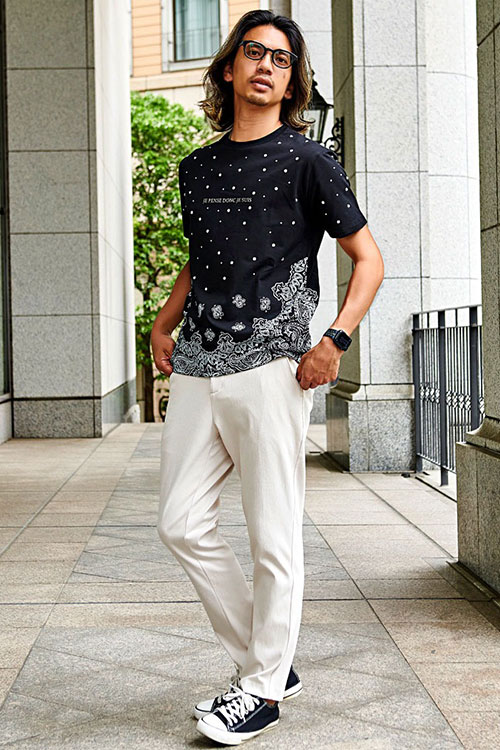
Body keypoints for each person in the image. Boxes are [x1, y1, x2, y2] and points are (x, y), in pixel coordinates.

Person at [152, 9, 384, 746]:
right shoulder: (197, 169)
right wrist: (163, 321)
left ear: (292, 82)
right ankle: (271, 660)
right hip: (198, 362)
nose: (266, 67)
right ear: (229, 68)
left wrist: (335, 339)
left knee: (271, 536)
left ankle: (260, 690)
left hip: (275, 364)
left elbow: (368, 259)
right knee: (179, 522)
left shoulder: (308, 161)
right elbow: (202, 257)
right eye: (254, 53)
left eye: (281, 60)